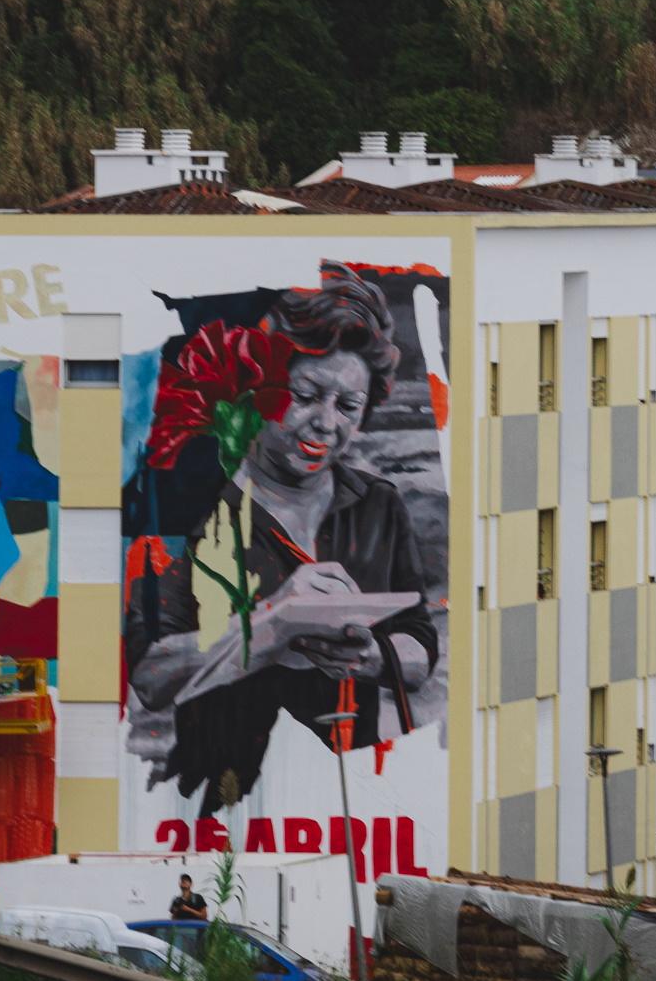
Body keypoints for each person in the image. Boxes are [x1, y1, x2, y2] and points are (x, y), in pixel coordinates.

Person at [126, 268, 438, 816]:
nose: (325, 423)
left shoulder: (378, 505)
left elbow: (420, 647)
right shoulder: (195, 508)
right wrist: (273, 623)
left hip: (351, 806)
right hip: (219, 807)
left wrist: (373, 656)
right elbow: (151, 676)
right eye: (305, 396)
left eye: (348, 406)